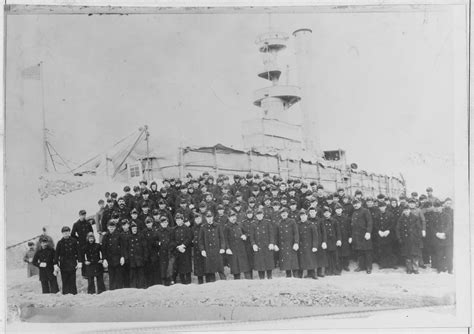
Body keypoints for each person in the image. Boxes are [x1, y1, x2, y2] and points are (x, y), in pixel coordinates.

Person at [198, 211, 226, 283]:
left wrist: (222, 248)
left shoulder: (218, 226)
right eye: (208, 218)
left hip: (217, 250)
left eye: (210, 217)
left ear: (213, 217)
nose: (209, 219)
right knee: (210, 271)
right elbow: (200, 240)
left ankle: (225, 284)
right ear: (206, 218)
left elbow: (222, 238)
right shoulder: (203, 227)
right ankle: (211, 286)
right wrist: (202, 250)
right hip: (208, 251)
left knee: (220, 269)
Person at [224, 211, 252, 279]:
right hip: (233, 250)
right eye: (231, 217)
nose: (233, 218)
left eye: (234, 216)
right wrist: (227, 248)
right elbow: (225, 239)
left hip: (242, 249)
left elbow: (247, 233)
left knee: (246, 269)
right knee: (236, 270)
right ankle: (237, 284)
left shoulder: (240, 224)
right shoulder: (226, 227)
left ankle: (249, 282)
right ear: (229, 218)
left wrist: (245, 236)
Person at [396, 205, 423, 274]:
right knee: (407, 254)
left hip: (414, 239)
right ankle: (409, 268)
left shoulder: (415, 217)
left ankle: (415, 268)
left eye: (407, 210)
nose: (406, 211)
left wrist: (419, 238)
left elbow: (419, 229)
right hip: (405, 239)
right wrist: (399, 238)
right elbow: (397, 229)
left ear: (409, 210)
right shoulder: (401, 219)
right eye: (405, 210)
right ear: (403, 211)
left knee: (415, 254)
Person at [55, 226, 81, 295]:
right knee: (65, 281)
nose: (66, 234)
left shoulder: (74, 241)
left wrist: (79, 262)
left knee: (72, 281)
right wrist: (56, 264)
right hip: (63, 265)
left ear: (69, 232)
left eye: (67, 232)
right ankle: (65, 295)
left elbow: (78, 252)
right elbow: (56, 255)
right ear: (62, 234)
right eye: (64, 233)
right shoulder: (60, 243)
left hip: (72, 264)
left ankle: (74, 295)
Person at [250, 208, 275, 279]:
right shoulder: (253, 224)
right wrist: (253, 244)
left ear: (263, 215)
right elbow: (252, 237)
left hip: (267, 246)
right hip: (258, 247)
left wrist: (271, 243)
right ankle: (261, 279)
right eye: (258, 214)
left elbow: (271, 234)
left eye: (260, 214)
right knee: (260, 264)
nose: (259, 216)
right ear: (256, 215)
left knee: (268, 263)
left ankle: (270, 277)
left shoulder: (267, 223)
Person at [350, 199, 373, 274]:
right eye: (354, 204)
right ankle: (361, 266)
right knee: (359, 251)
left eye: (357, 203)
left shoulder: (365, 211)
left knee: (367, 251)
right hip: (357, 235)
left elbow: (369, 222)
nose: (355, 205)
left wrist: (368, 232)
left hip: (364, 234)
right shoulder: (354, 213)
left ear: (360, 203)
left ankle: (368, 267)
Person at [275, 207, 300, 278]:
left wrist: (296, 242)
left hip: (291, 244)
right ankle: (288, 276)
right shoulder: (278, 223)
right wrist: (276, 244)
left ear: (287, 214)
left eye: (285, 213)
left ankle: (296, 276)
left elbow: (296, 233)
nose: (284, 214)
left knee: (293, 262)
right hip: (283, 245)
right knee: (286, 263)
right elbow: (276, 235)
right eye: (282, 213)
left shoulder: (292, 221)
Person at [101, 221, 126, 290]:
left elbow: (122, 246)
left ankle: (119, 291)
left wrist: (122, 256)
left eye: (113, 227)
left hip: (118, 259)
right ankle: (112, 291)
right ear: (108, 227)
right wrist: (104, 259)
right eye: (110, 227)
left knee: (119, 277)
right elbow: (103, 248)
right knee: (112, 277)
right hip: (110, 259)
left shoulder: (119, 235)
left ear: (115, 227)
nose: (111, 228)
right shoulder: (105, 236)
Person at [296, 209, 319, 279]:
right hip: (301, 245)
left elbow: (315, 237)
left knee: (310, 259)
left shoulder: (311, 225)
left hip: (309, 245)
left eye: (304, 215)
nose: (303, 217)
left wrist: (315, 246)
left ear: (307, 216)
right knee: (301, 260)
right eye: (301, 215)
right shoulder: (297, 225)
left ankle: (312, 273)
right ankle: (300, 274)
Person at [375, 202, 398, 269]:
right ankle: (382, 264)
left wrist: (388, 230)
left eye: (383, 206)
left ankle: (392, 264)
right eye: (380, 207)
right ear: (379, 208)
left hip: (389, 235)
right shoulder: (377, 215)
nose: (382, 208)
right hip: (380, 235)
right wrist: (379, 231)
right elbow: (375, 224)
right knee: (382, 250)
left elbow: (393, 223)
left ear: (385, 207)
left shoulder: (390, 214)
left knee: (390, 250)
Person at [71, 209, 93, 277]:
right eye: (82, 215)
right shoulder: (76, 224)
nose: (83, 216)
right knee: (82, 258)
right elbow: (72, 234)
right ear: (79, 215)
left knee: (90, 256)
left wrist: (90, 238)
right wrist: (79, 239)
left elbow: (91, 232)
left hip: (88, 243)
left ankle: (90, 272)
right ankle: (84, 274)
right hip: (81, 244)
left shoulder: (88, 223)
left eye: (84, 215)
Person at [434, 200, 453, 273]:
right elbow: (432, 227)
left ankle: (450, 269)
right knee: (439, 254)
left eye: (438, 207)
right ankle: (440, 268)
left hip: (447, 238)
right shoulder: (434, 216)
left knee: (448, 254)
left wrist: (444, 233)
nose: (437, 209)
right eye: (436, 207)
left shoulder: (447, 215)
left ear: (441, 207)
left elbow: (449, 226)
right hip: (438, 238)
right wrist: (437, 234)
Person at [321, 207, 341, 276]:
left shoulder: (334, 221)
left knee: (335, 256)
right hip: (326, 241)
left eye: (328, 212)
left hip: (334, 241)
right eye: (325, 213)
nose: (327, 214)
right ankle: (329, 270)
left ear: (330, 213)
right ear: (323, 214)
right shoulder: (321, 221)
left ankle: (336, 270)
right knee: (328, 256)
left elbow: (338, 231)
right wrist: (323, 242)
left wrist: (339, 240)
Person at [173, 213, 193, 284]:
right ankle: (183, 282)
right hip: (178, 251)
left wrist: (183, 245)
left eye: (179, 220)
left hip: (186, 250)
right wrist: (178, 247)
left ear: (182, 220)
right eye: (177, 220)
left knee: (187, 268)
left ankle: (188, 282)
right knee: (180, 268)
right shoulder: (174, 229)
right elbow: (172, 240)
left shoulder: (187, 228)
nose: (178, 221)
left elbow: (189, 238)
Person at [156, 216, 176, 286]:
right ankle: (163, 282)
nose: (164, 224)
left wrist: (170, 246)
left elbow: (174, 240)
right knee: (163, 268)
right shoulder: (158, 231)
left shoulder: (171, 230)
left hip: (170, 252)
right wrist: (158, 243)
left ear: (167, 222)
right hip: (162, 252)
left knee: (170, 267)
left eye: (165, 222)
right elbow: (155, 241)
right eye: (162, 222)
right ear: (160, 223)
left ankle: (171, 280)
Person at [127, 222, 147, 288]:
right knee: (133, 276)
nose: (134, 230)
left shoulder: (141, 236)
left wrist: (144, 257)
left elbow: (144, 247)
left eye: (135, 228)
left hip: (140, 260)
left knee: (141, 275)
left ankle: (141, 288)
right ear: (131, 229)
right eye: (133, 229)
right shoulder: (129, 237)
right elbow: (127, 248)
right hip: (132, 260)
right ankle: (133, 289)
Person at [141, 217, 161, 287]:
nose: (149, 224)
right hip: (147, 255)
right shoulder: (143, 232)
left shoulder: (155, 231)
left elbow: (158, 242)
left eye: (150, 223)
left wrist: (156, 244)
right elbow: (143, 244)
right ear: (145, 224)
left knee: (155, 271)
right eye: (147, 223)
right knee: (148, 272)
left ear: (152, 223)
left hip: (154, 254)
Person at [333, 204, 351, 271]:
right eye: (337, 209)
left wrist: (350, 237)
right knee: (339, 252)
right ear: (335, 210)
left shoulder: (346, 218)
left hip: (345, 236)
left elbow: (349, 228)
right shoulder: (333, 218)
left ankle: (346, 265)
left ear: (342, 210)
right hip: (337, 237)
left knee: (346, 251)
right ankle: (339, 265)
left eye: (340, 209)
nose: (339, 210)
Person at [192, 213, 206, 284]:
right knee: (199, 270)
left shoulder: (204, 227)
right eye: (196, 219)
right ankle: (200, 284)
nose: (197, 220)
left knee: (206, 269)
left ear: (201, 219)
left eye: (199, 219)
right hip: (196, 251)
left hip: (204, 250)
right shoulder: (193, 228)